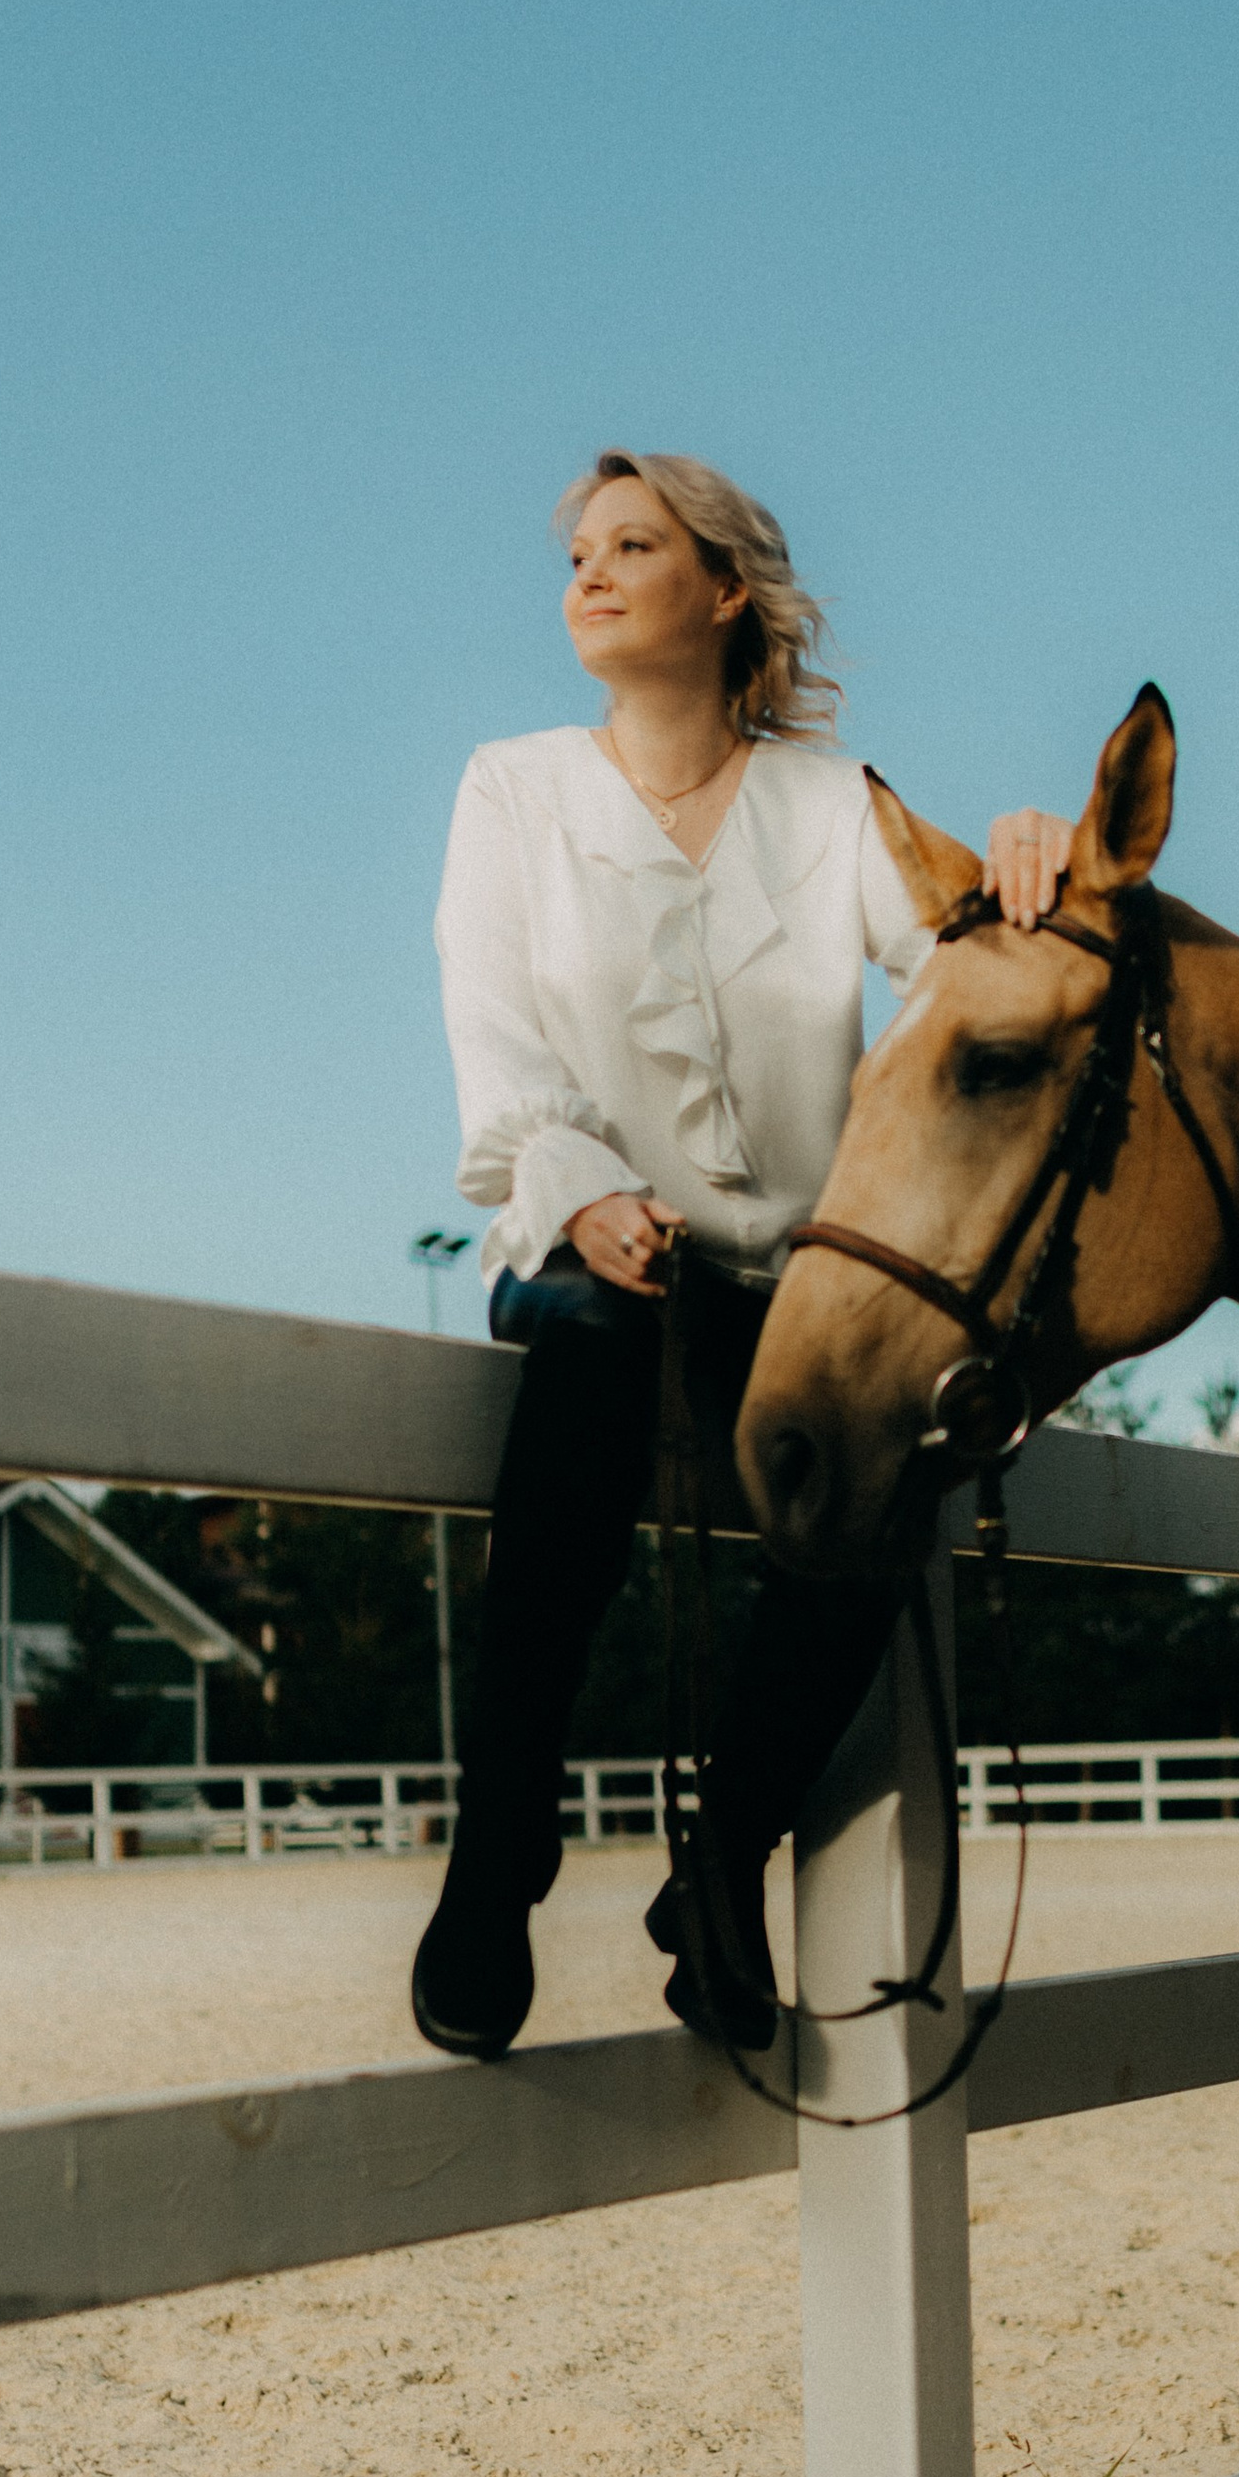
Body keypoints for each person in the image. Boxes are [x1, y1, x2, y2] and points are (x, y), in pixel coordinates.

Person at [414, 448, 1074, 2060]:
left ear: (724, 590)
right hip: (595, 1259)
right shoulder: (513, 788)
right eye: (577, 549)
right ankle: (498, 1855)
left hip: (787, 1286)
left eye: (631, 545)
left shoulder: (827, 804)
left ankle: (721, 1870)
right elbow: (494, 1037)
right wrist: (576, 1187)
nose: (587, 572)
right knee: (577, 1354)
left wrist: (1029, 860)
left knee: (884, 1475)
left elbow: (967, 963)